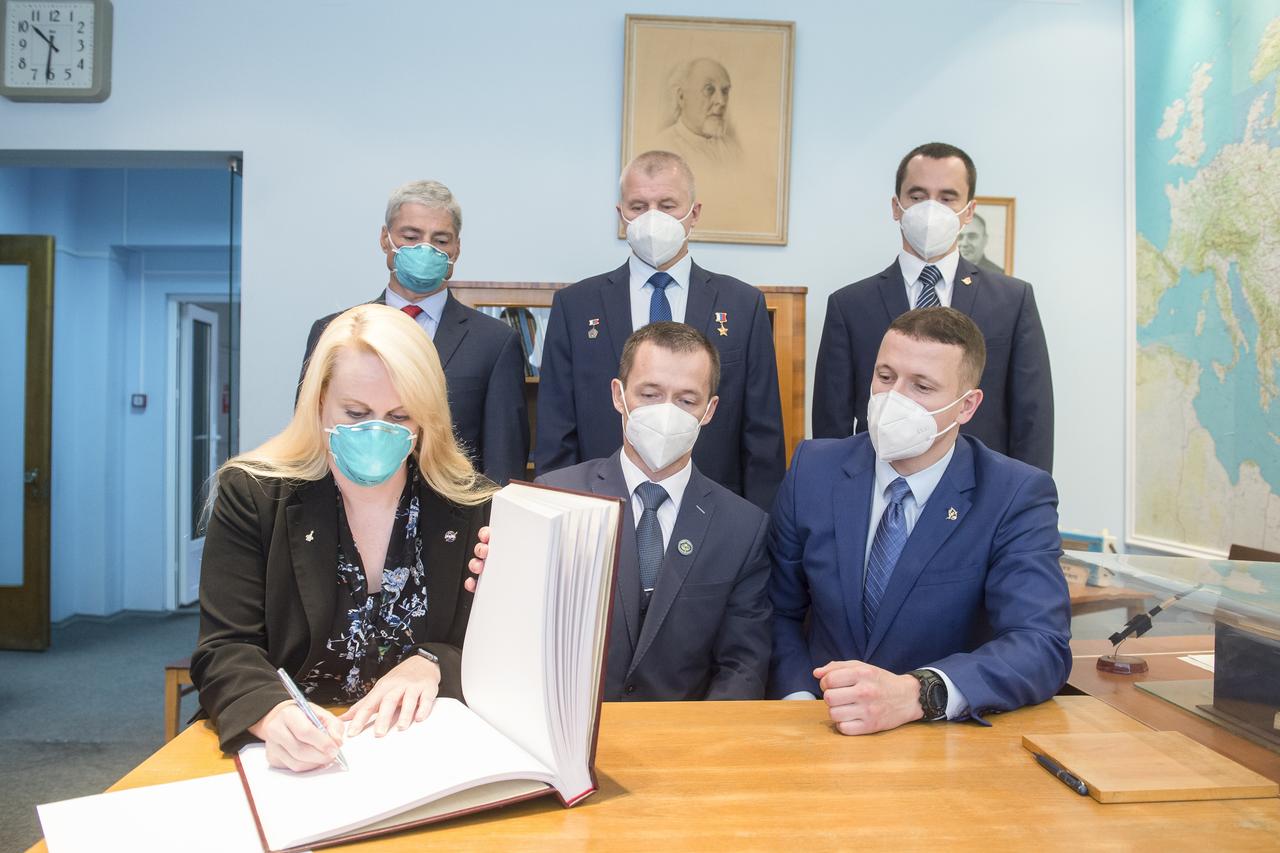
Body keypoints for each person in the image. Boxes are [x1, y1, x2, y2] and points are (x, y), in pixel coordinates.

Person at [194, 304, 496, 769]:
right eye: (356, 413)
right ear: (318, 404)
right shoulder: (254, 495)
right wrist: (271, 713)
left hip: (427, 752)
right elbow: (224, 649)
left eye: (400, 416)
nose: (377, 432)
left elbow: (498, 647)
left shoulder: (471, 506)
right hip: (294, 756)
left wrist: (434, 663)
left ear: (427, 419)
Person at [769, 307, 1070, 735]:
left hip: (939, 740)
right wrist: (798, 699)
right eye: (886, 377)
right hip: (817, 725)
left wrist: (918, 694)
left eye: (922, 386)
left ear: (967, 406)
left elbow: (1041, 644)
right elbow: (775, 610)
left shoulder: (1013, 495)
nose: (895, 399)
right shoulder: (813, 469)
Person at [472, 323, 771, 700]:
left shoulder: (743, 527)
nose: (667, 413)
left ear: (709, 410)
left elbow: (742, 666)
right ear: (619, 395)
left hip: (683, 743)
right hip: (569, 735)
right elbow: (515, 635)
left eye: (686, 401)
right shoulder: (553, 497)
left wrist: (699, 748)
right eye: (650, 393)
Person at [536, 150, 785, 511]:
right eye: (639, 206)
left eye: (666, 205)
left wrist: (759, 529)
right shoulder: (576, 306)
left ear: (694, 213)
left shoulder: (744, 305)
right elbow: (556, 432)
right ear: (621, 214)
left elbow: (763, 437)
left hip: (713, 512)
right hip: (602, 507)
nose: (652, 218)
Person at [812, 142, 1054, 474]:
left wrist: (1026, 502)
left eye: (947, 197)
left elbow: (1033, 417)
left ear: (968, 211)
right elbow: (831, 422)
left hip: (981, 489)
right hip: (877, 482)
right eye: (917, 195)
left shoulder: (1012, 301)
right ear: (896, 206)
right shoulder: (850, 304)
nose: (931, 209)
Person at [300, 180, 529, 485]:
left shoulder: (495, 342)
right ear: (386, 239)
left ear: (457, 248)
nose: (426, 249)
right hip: (347, 510)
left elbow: (504, 463)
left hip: (454, 519)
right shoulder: (332, 332)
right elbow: (308, 440)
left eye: (441, 240)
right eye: (411, 236)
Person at [654, 58, 743, 165]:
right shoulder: (662, 149)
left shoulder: (733, 149)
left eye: (725, 91)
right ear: (681, 97)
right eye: (709, 89)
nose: (721, 101)